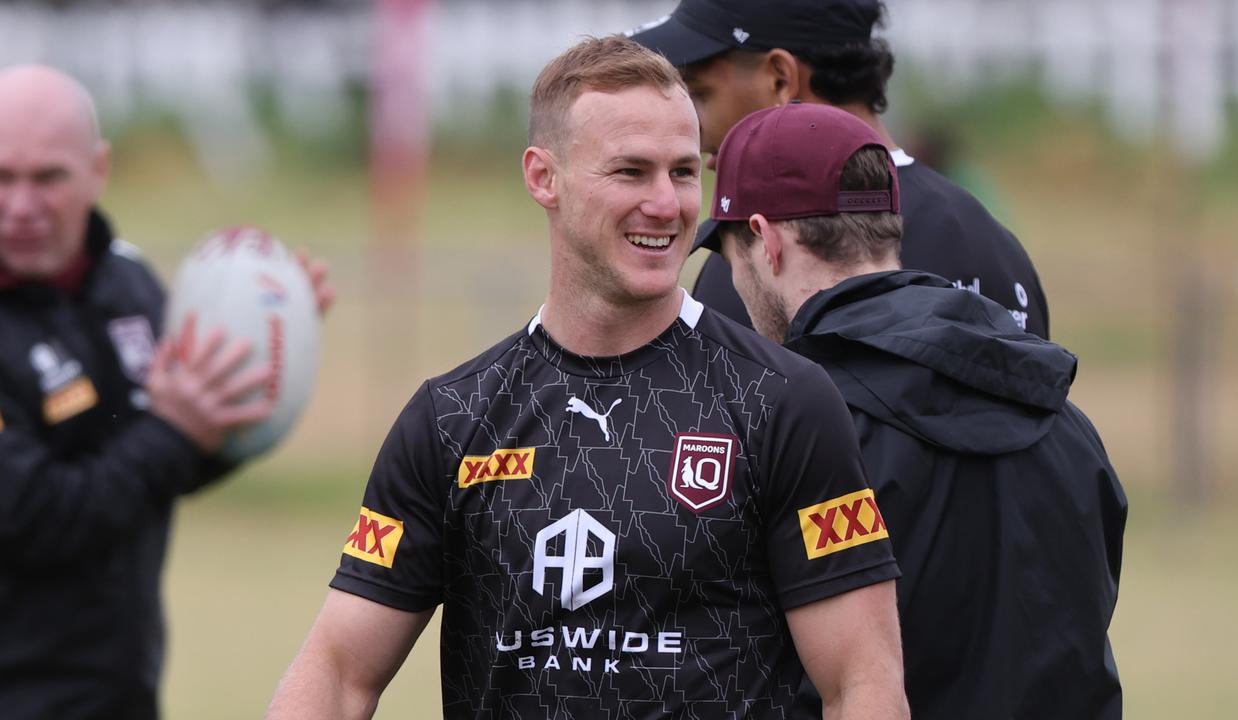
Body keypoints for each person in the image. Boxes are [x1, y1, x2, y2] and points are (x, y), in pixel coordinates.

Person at [268, 37, 907, 720]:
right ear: (544, 177)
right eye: (631, 172)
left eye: (684, 173)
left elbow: (862, 683)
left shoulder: (783, 402)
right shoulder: (453, 418)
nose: (667, 205)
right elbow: (337, 674)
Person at [701, 101, 1127, 719]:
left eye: (729, 255)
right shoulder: (1066, 421)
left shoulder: (799, 430)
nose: (734, 280)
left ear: (765, 242)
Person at [0, 64, 334, 719]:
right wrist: (176, 430)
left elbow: (158, 469)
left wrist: (256, 371)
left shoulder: (127, 285)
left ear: (98, 170)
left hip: (120, 692)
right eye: (1, 177)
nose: (21, 206)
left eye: (48, 177)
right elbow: (38, 517)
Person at [626, 0, 1051, 339]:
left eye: (700, 94)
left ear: (780, 79)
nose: (695, 134)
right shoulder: (994, 245)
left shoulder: (759, 255)